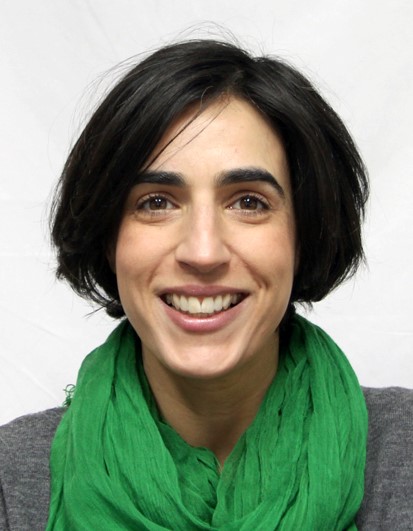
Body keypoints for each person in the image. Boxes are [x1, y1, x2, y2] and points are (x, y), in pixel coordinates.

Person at [0, 39, 412, 531]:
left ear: (305, 233)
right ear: (107, 238)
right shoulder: (12, 479)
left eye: (248, 202)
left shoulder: (401, 454)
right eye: (156, 202)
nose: (203, 252)